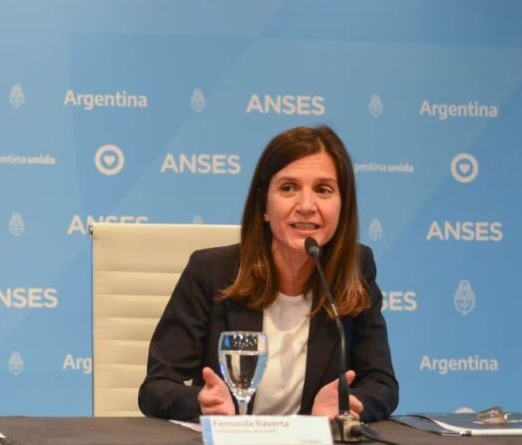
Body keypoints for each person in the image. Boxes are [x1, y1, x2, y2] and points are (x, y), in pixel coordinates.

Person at [138, 125, 398, 422]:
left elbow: (382, 384)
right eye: (288, 188)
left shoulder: (357, 267)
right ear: (264, 205)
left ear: (343, 206)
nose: (306, 206)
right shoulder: (211, 272)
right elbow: (156, 387)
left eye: (323, 190)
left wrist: (346, 403)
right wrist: (202, 402)